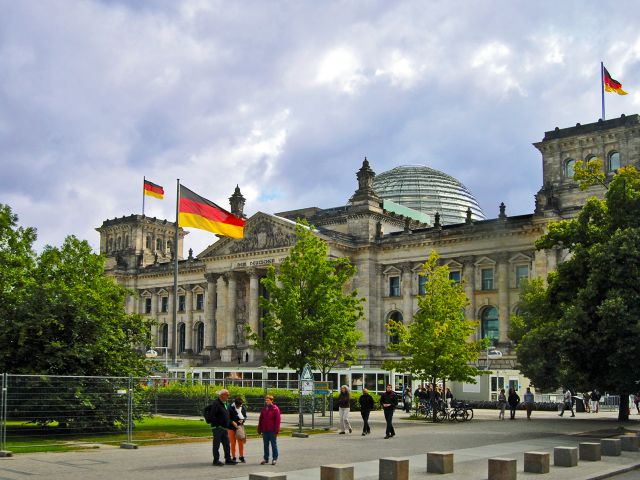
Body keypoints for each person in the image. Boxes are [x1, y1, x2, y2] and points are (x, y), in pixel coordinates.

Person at [209, 389, 237, 466]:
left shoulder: (225, 404)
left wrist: (231, 422)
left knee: (226, 444)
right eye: (227, 395)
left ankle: (228, 459)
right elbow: (212, 416)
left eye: (228, 395)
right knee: (216, 444)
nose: (228, 396)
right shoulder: (216, 404)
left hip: (224, 428)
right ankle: (216, 460)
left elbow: (226, 416)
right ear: (221, 395)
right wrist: (218, 424)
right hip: (218, 428)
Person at [258, 394, 281, 465]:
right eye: (266, 400)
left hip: (272, 430)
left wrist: (276, 430)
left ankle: (274, 458)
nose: (266, 401)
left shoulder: (275, 409)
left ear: (272, 401)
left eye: (268, 400)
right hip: (265, 430)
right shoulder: (264, 409)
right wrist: (260, 428)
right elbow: (261, 419)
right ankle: (266, 458)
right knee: (265, 445)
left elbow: (278, 421)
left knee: (273, 445)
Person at [228, 396, 247, 463]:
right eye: (238, 405)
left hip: (239, 427)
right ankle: (233, 457)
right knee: (233, 443)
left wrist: (243, 420)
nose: (239, 406)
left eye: (240, 405)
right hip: (231, 427)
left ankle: (241, 456)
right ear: (235, 404)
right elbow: (227, 417)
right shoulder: (230, 407)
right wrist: (232, 422)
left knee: (241, 442)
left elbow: (245, 416)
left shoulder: (242, 407)